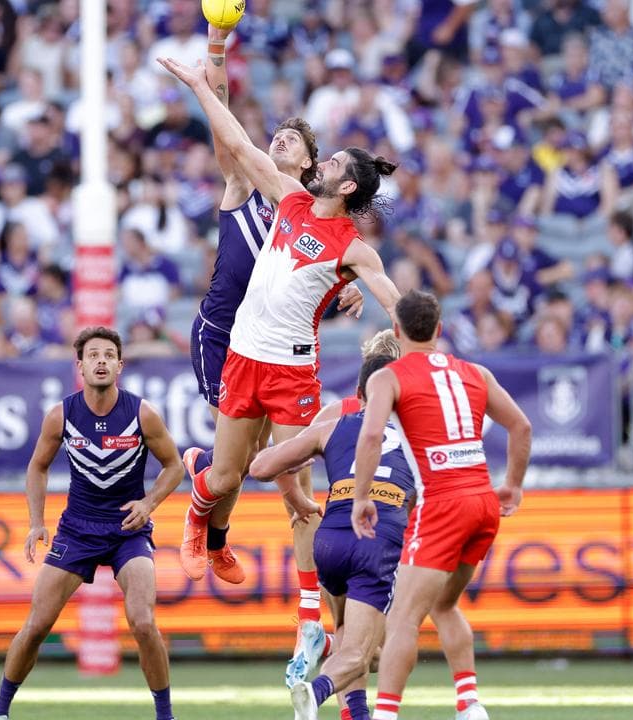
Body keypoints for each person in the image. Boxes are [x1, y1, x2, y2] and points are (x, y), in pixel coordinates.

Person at [156, 57, 403, 620]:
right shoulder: (289, 197)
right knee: (226, 475)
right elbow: (237, 145)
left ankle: (310, 620)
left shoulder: (353, 248)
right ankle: (199, 512)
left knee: (299, 495)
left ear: (345, 185)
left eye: (333, 162)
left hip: (292, 372)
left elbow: (391, 297)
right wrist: (199, 86)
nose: (325, 162)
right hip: (242, 357)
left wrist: (416, 345)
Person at [182, 24, 362, 598]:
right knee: (243, 461)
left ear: (311, 165)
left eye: (292, 140)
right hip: (223, 334)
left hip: (274, 347)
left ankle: (227, 537)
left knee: (258, 461)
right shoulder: (243, 181)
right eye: (276, 135)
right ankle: (209, 528)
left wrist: (351, 288)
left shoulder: (314, 217)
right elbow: (224, 122)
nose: (279, 140)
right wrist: (216, 47)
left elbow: (326, 275)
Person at [349, 289, 532, 720]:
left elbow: (371, 435)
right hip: (483, 501)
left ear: (396, 330)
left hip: (442, 503)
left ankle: (385, 714)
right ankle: (470, 704)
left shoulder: (387, 377)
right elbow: (521, 426)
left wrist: (361, 497)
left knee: (402, 618)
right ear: (440, 329)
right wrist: (513, 485)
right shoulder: (475, 372)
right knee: (444, 605)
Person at [0, 327, 184, 720]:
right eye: (93, 355)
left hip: (128, 531)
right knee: (37, 625)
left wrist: (149, 503)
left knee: (143, 623)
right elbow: (37, 467)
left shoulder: (142, 413)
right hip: (77, 530)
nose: (101, 361)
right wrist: (35, 522)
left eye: (108, 355)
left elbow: (175, 466)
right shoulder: (61, 414)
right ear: (79, 366)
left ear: (120, 365)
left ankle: (165, 715)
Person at [248, 353, 414, 720]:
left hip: (330, 541)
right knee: (372, 652)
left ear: (359, 393)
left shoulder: (332, 426)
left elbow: (259, 467)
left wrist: (299, 469)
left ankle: (349, 697)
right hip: (376, 539)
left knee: (349, 638)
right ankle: (314, 691)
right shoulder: (416, 435)